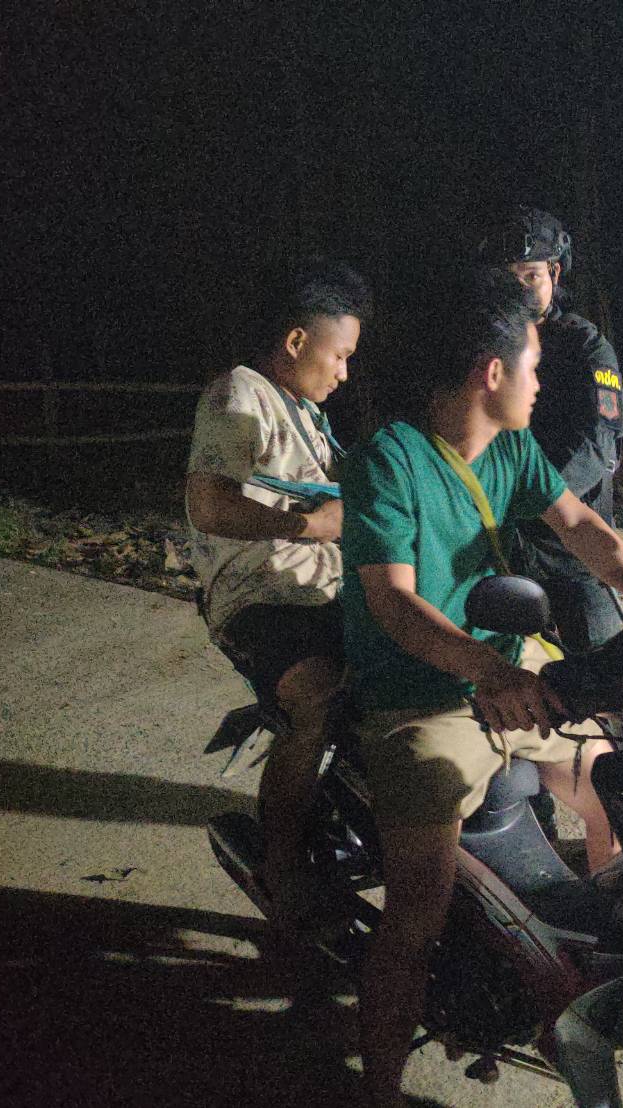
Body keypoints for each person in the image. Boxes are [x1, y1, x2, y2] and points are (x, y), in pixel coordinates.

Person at [340, 269, 623, 1106]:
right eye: (532, 366)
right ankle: (377, 1087)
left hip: (510, 673)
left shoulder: (513, 451)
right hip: (419, 698)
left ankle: (588, 975)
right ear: (490, 372)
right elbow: (393, 601)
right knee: (414, 919)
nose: (540, 383)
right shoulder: (389, 461)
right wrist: (487, 670)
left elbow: (584, 528)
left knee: (621, 783)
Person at [185, 257, 369, 926]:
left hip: (326, 590)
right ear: (296, 341)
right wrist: (308, 525)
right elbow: (209, 503)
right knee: (316, 694)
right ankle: (280, 863)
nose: (343, 372)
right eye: (339, 355)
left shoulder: (309, 416)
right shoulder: (240, 393)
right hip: (260, 598)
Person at [475, 205, 623, 654]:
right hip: (499, 540)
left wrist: (535, 498)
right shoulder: (484, 345)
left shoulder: (587, 349)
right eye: (510, 279)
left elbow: (598, 444)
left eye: (531, 276)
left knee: (606, 664)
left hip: (570, 543)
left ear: (555, 273)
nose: (520, 290)